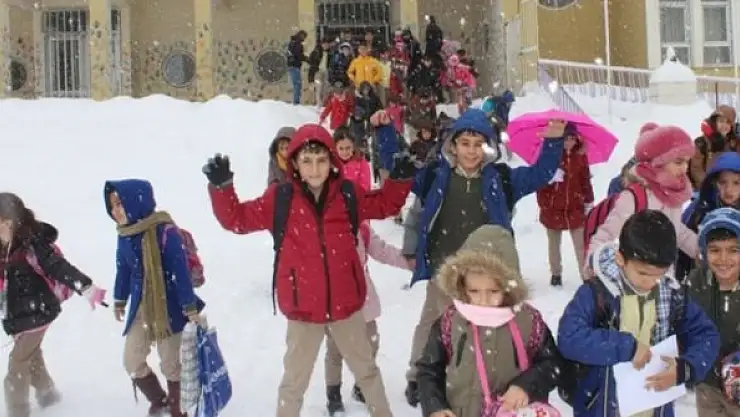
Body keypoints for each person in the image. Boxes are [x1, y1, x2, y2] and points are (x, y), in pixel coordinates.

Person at [203, 123, 417, 417]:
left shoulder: (347, 194)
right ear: (294, 164)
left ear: (332, 162)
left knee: (367, 372)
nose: (315, 169)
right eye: (307, 161)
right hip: (303, 308)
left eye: (321, 160)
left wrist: (400, 179)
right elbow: (237, 219)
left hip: (346, 305)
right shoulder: (280, 199)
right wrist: (222, 188)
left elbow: (384, 205)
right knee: (294, 383)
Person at [558, 209, 720, 417]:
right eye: (643, 273)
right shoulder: (597, 293)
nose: (650, 282)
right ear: (620, 259)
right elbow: (569, 337)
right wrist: (626, 347)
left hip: (655, 407)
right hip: (602, 408)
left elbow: (706, 335)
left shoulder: (672, 296)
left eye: (659, 274)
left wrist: (685, 368)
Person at [417, 225, 560, 417]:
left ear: (508, 287)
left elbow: (551, 363)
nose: (483, 301)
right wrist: (435, 407)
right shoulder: (450, 322)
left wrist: (526, 386)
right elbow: (429, 369)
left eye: (493, 291)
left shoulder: (528, 321)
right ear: (462, 286)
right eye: (474, 291)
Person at [0, 192, 106, 417]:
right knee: (31, 358)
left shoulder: (32, 245)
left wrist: (85, 286)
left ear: (15, 222)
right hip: (17, 315)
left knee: (17, 364)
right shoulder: (2, 249)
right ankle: (48, 395)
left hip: (39, 310)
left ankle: (17, 412)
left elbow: (58, 266)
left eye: (4, 223)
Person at [105, 179, 205, 417]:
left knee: (171, 365)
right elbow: (123, 269)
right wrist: (120, 299)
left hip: (169, 307)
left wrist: (189, 306)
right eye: (111, 206)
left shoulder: (165, 232)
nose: (115, 211)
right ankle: (159, 400)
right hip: (141, 308)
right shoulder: (125, 234)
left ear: (135, 202)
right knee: (132, 360)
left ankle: (178, 407)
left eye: (119, 204)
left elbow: (180, 272)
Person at [686, 207, 740, 417]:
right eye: (715, 250)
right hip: (708, 386)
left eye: (734, 250)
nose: (723, 258)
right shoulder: (695, 283)